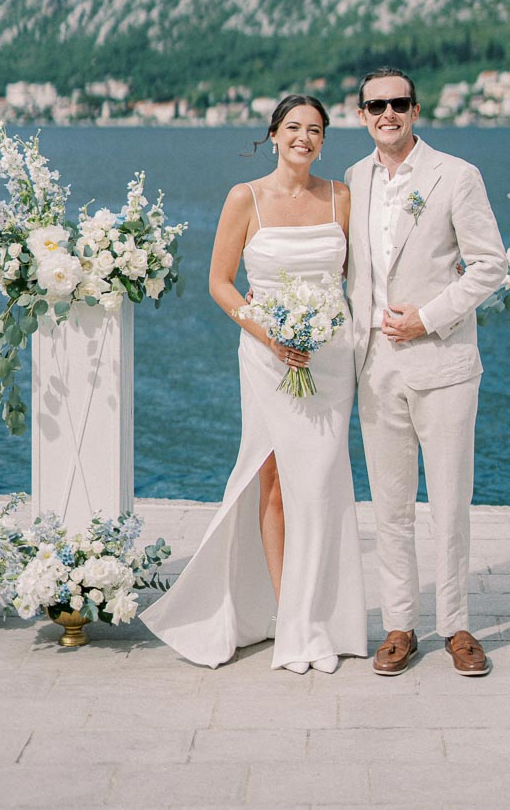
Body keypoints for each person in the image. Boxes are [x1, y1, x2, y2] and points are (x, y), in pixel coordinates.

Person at [142, 95, 367, 674]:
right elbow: (220, 283)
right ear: (274, 134)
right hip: (268, 356)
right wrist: (271, 335)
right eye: (294, 127)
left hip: (329, 359)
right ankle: (292, 619)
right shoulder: (245, 197)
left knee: (321, 482)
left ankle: (323, 618)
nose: (304, 137)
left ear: (323, 140)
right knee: (273, 480)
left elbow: (363, 279)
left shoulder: (342, 197)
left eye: (315, 130)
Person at [346, 68, 506, 677]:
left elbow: (490, 265)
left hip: (442, 362)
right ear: (362, 114)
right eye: (375, 105)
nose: (387, 113)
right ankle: (399, 625)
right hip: (373, 366)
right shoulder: (353, 181)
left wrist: (429, 317)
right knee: (388, 505)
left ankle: (458, 627)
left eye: (398, 103)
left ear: (416, 109)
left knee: (449, 501)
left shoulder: (456, 176)